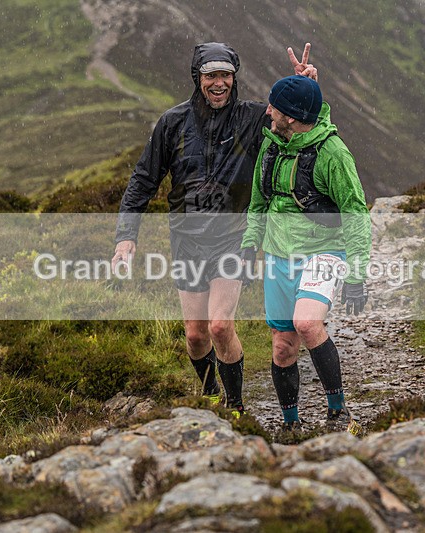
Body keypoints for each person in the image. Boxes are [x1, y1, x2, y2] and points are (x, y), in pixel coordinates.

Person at [112, 43, 317, 415]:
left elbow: (299, 131)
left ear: (234, 78)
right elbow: (143, 179)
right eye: (211, 76)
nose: (219, 83)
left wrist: (305, 88)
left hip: (233, 237)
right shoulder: (173, 123)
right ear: (198, 78)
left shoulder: (253, 118)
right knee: (195, 334)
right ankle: (209, 395)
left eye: (225, 75)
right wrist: (126, 236)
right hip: (187, 239)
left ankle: (235, 408)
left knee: (220, 326)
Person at [240, 75, 371, 433]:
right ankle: (290, 425)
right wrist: (250, 246)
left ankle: (338, 412)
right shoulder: (272, 145)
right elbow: (258, 203)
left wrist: (356, 275)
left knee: (307, 324)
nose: (267, 111)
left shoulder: (333, 153)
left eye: (274, 107)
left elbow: (355, 213)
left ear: (292, 118)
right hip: (277, 255)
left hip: (323, 251)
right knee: (283, 346)